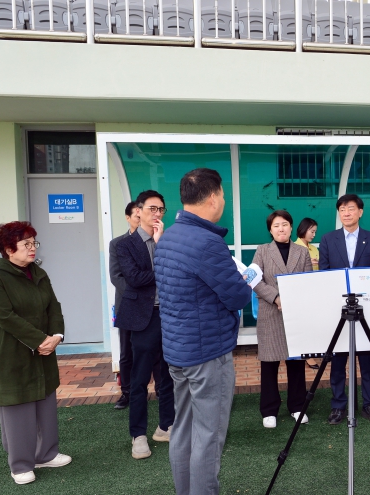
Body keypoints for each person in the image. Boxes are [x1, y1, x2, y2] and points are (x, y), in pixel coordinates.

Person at [154, 168, 252, 495]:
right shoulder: (208, 243)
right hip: (207, 353)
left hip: (177, 351)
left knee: (183, 427)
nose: (223, 200)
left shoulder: (168, 237)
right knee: (209, 435)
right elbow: (237, 297)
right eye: (222, 194)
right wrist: (244, 280)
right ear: (212, 198)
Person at [0, 221, 72, 485]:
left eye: (34, 243)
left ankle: (46, 454)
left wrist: (56, 336)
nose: (33, 248)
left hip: (44, 349)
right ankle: (21, 464)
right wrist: (39, 340)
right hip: (13, 352)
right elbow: (4, 316)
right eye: (26, 244)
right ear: (9, 249)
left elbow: (54, 306)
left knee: (45, 401)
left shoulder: (39, 273)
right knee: (18, 406)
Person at [115, 190, 175, 460]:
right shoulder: (125, 245)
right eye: (152, 208)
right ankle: (138, 434)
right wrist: (161, 264)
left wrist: (161, 244)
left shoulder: (167, 241)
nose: (157, 214)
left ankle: (166, 426)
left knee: (169, 374)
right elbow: (135, 278)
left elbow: (175, 276)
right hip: (142, 318)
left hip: (169, 315)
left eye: (161, 209)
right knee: (139, 379)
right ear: (138, 211)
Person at [319, 193, 370, 425]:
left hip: (366, 310)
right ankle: (338, 406)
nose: (346, 213)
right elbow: (324, 274)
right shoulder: (328, 239)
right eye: (342, 209)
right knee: (337, 360)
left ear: (360, 212)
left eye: (350, 208)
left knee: (367, 360)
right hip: (338, 309)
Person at [253, 210, 313, 428]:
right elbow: (254, 280)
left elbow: (307, 281)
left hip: (295, 314)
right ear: (270, 229)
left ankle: (297, 406)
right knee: (269, 364)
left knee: (296, 363)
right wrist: (276, 297)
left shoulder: (302, 251)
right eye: (276, 225)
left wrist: (292, 299)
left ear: (291, 227)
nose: (281, 229)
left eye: (285, 224)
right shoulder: (262, 250)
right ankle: (269, 410)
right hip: (271, 313)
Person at [109, 201, 139, 410]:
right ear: (128, 218)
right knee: (126, 353)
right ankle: (126, 392)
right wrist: (136, 294)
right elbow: (116, 276)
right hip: (127, 304)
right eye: (136, 215)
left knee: (157, 352)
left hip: (153, 305)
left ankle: (162, 391)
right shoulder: (117, 244)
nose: (141, 218)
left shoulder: (157, 241)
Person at [294, 217, 320, 369]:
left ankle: (311, 351)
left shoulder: (314, 249)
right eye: (312, 231)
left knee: (312, 324)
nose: (314, 235)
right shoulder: (294, 247)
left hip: (314, 292)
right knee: (302, 325)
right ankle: (307, 355)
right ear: (303, 230)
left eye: (315, 232)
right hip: (299, 293)